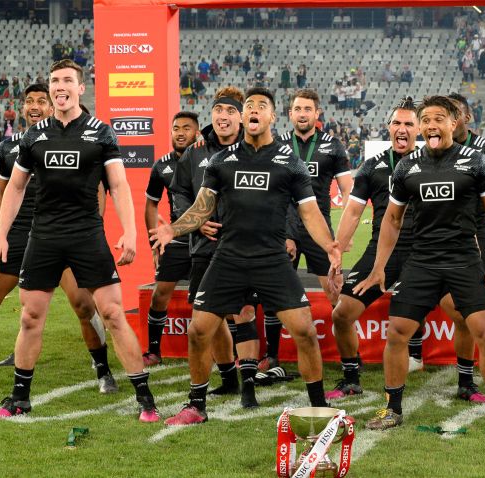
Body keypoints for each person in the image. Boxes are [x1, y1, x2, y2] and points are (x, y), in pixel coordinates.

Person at [153, 87, 340, 425]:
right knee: (198, 331)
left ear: (271, 117)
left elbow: (310, 212)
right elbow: (201, 208)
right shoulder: (221, 162)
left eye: (261, 106)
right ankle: (196, 406)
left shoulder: (289, 161)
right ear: (243, 117)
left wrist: (330, 246)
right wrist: (173, 229)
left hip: (272, 259)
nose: (254, 110)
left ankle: (318, 406)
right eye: (249, 105)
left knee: (306, 332)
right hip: (228, 259)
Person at [0, 60, 158, 421]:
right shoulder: (34, 135)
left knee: (114, 314)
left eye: (67, 80)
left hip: (87, 235)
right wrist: (1, 233)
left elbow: (117, 185)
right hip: (44, 237)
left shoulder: (102, 133)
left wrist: (130, 232)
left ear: (80, 88)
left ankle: (144, 398)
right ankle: (19, 398)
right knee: (30, 317)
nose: (60, 87)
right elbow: (16, 187)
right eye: (55, 81)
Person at [354, 95, 485, 435]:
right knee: (396, 331)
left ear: (453, 123)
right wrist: (379, 266)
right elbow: (392, 220)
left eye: (438, 119)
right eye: (425, 120)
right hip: (422, 260)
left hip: (463, 258)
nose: (430, 125)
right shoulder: (407, 165)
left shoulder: (475, 162)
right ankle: (392, 408)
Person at [0, 83, 118, 395]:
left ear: (53, 107)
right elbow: (2, 195)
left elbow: (97, 192)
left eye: (42, 100)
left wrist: (92, 230)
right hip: (18, 237)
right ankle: (21, 358)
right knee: (23, 311)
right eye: (29, 101)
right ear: (22, 108)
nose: (35, 106)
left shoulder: (73, 141)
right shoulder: (8, 149)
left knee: (81, 304)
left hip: (58, 234)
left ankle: (102, 369)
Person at [326, 97, 419, 399]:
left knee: (462, 313)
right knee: (342, 314)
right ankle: (351, 376)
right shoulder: (372, 166)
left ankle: (466, 382)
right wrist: (337, 252)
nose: (402, 129)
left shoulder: (431, 162)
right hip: (382, 252)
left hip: (426, 253)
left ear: (418, 129)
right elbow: (352, 212)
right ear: (389, 127)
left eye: (408, 124)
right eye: (397, 123)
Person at [169, 87, 245, 399]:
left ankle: (252, 377)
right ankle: (229, 379)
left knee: (245, 313)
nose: (223, 117)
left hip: (244, 246)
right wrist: (196, 222)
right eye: (218, 111)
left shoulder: (255, 147)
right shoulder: (195, 151)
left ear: (240, 117)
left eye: (229, 112)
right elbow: (180, 192)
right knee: (209, 316)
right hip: (204, 247)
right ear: (211, 114)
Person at [268, 89, 350, 371]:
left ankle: (348, 358)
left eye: (307, 109)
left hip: (319, 230)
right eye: (297, 109)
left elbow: (347, 190)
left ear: (317, 114)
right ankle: (273, 357)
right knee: (275, 291)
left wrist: (343, 233)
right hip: (283, 230)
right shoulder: (277, 144)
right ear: (290, 114)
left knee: (334, 291)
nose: (302, 114)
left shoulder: (333, 146)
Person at [143, 111, 200, 365]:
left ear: (197, 132)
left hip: (206, 237)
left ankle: (229, 355)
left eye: (186, 128)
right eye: (176, 127)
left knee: (219, 297)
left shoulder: (208, 159)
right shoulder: (161, 165)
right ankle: (154, 351)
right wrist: (153, 242)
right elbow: (151, 205)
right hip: (176, 239)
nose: (180, 132)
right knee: (159, 294)